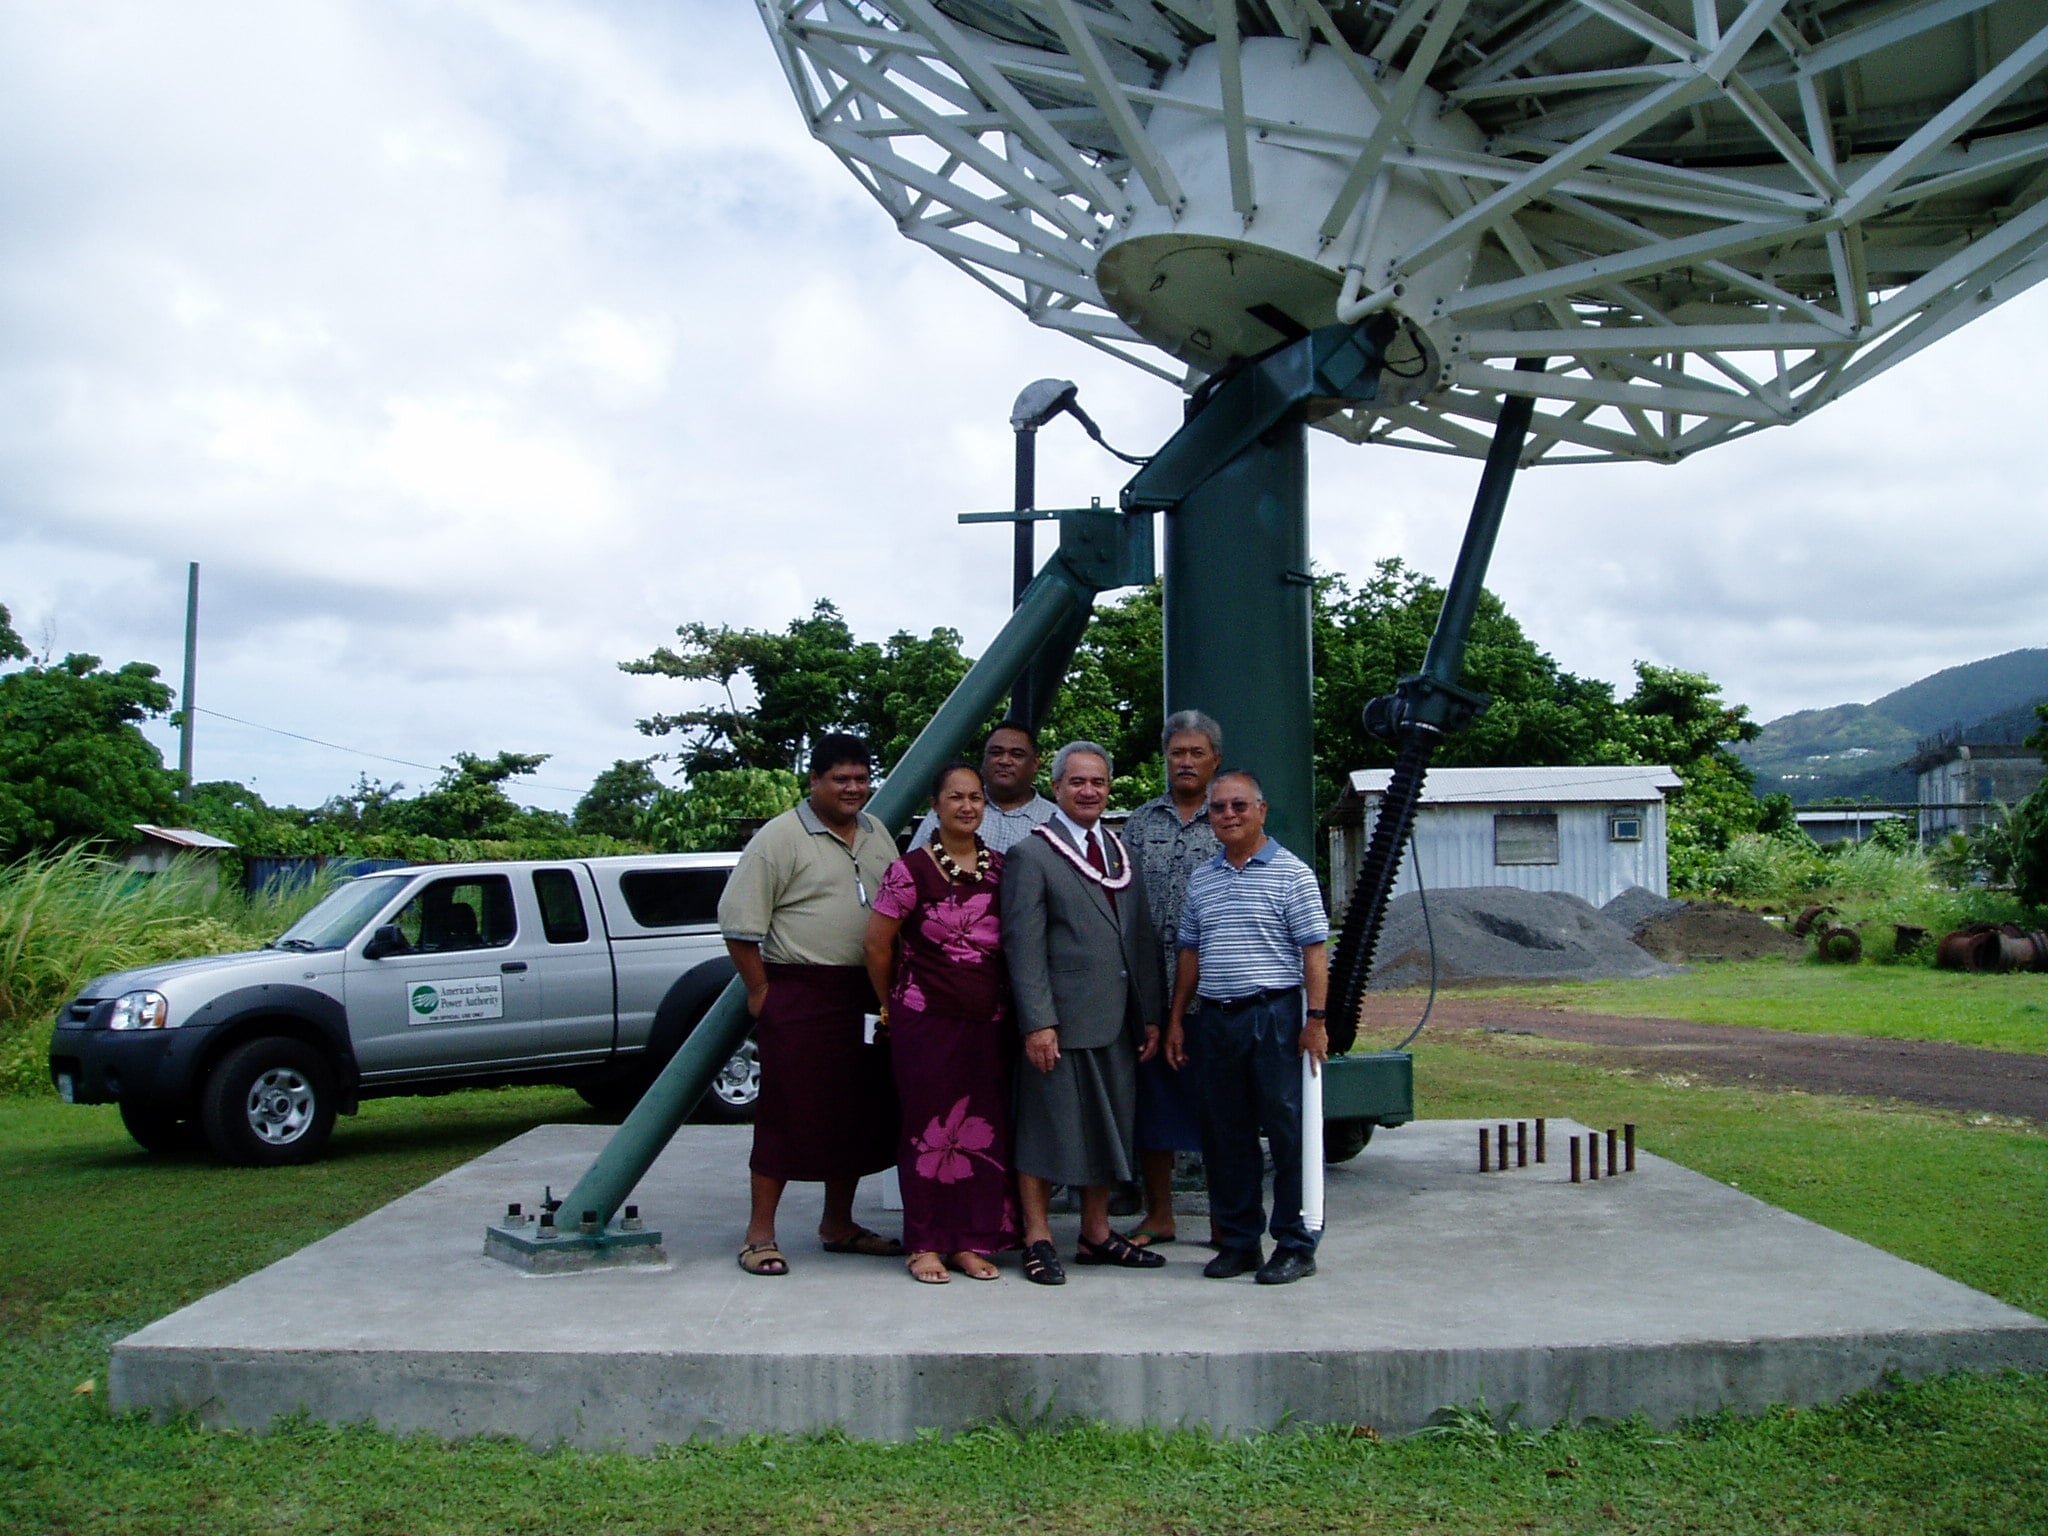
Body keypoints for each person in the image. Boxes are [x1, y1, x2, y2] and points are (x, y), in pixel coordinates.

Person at [719, 732, 903, 1276]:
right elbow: (738, 924)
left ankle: (838, 1223)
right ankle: (759, 1235)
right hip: (800, 991)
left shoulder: (877, 833)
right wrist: (760, 991)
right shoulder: (779, 838)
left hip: (865, 994)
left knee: (854, 1110)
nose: (853, 788)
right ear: (814, 781)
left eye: (861, 778)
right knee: (787, 1112)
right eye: (840, 779)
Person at [1000, 740, 1165, 1285]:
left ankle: (1096, 1232)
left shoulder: (1119, 852)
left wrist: (1149, 1014)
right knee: (1048, 1129)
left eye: (1097, 782)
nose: (1088, 791)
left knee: (1107, 1125)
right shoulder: (1033, 854)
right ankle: (1039, 1236)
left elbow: (1138, 938)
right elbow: (1022, 946)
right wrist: (1037, 1022)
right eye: (1077, 782)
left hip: (1116, 1020)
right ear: (1056, 789)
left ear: (1108, 788)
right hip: (1061, 1025)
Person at [1166, 770, 1330, 1286]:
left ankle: (1295, 1244)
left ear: (1261, 810)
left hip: (1275, 1017)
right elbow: (1190, 954)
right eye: (1218, 808)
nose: (1229, 815)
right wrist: (1177, 1019)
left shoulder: (1292, 874)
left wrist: (1316, 1022)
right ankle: (1239, 1243)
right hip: (1217, 1020)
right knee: (1224, 1136)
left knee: (1287, 1134)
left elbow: (1315, 954)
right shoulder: (1203, 880)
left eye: (1239, 805)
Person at [863, 761, 1020, 1284]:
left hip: (988, 1023)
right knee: (927, 1131)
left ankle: (972, 1240)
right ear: (935, 804)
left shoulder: (1000, 868)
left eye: (976, 797)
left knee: (982, 1130)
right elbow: (876, 943)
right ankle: (925, 1242)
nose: (967, 806)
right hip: (924, 1024)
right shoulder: (909, 870)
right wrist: (892, 1002)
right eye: (955, 797)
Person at [1120, 710, 1224, 1248]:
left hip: (1212, 995)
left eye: (1196, 753)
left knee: (1216, 1109)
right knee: (1154, 1106)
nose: (1185, 762)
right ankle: (1159, 1213)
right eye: (1177, 752)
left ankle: (1222, 1219)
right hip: (1148, 993)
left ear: (1215, 760)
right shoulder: (1140, 824)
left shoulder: (1230, 819)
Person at [909, 721, 1055, 853]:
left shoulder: (1056, 820)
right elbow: (911, 870)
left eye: (1016, 754)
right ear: (984, 759)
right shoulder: (947, 812)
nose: (1004, 761)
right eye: (996, 753)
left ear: (1035, 764)